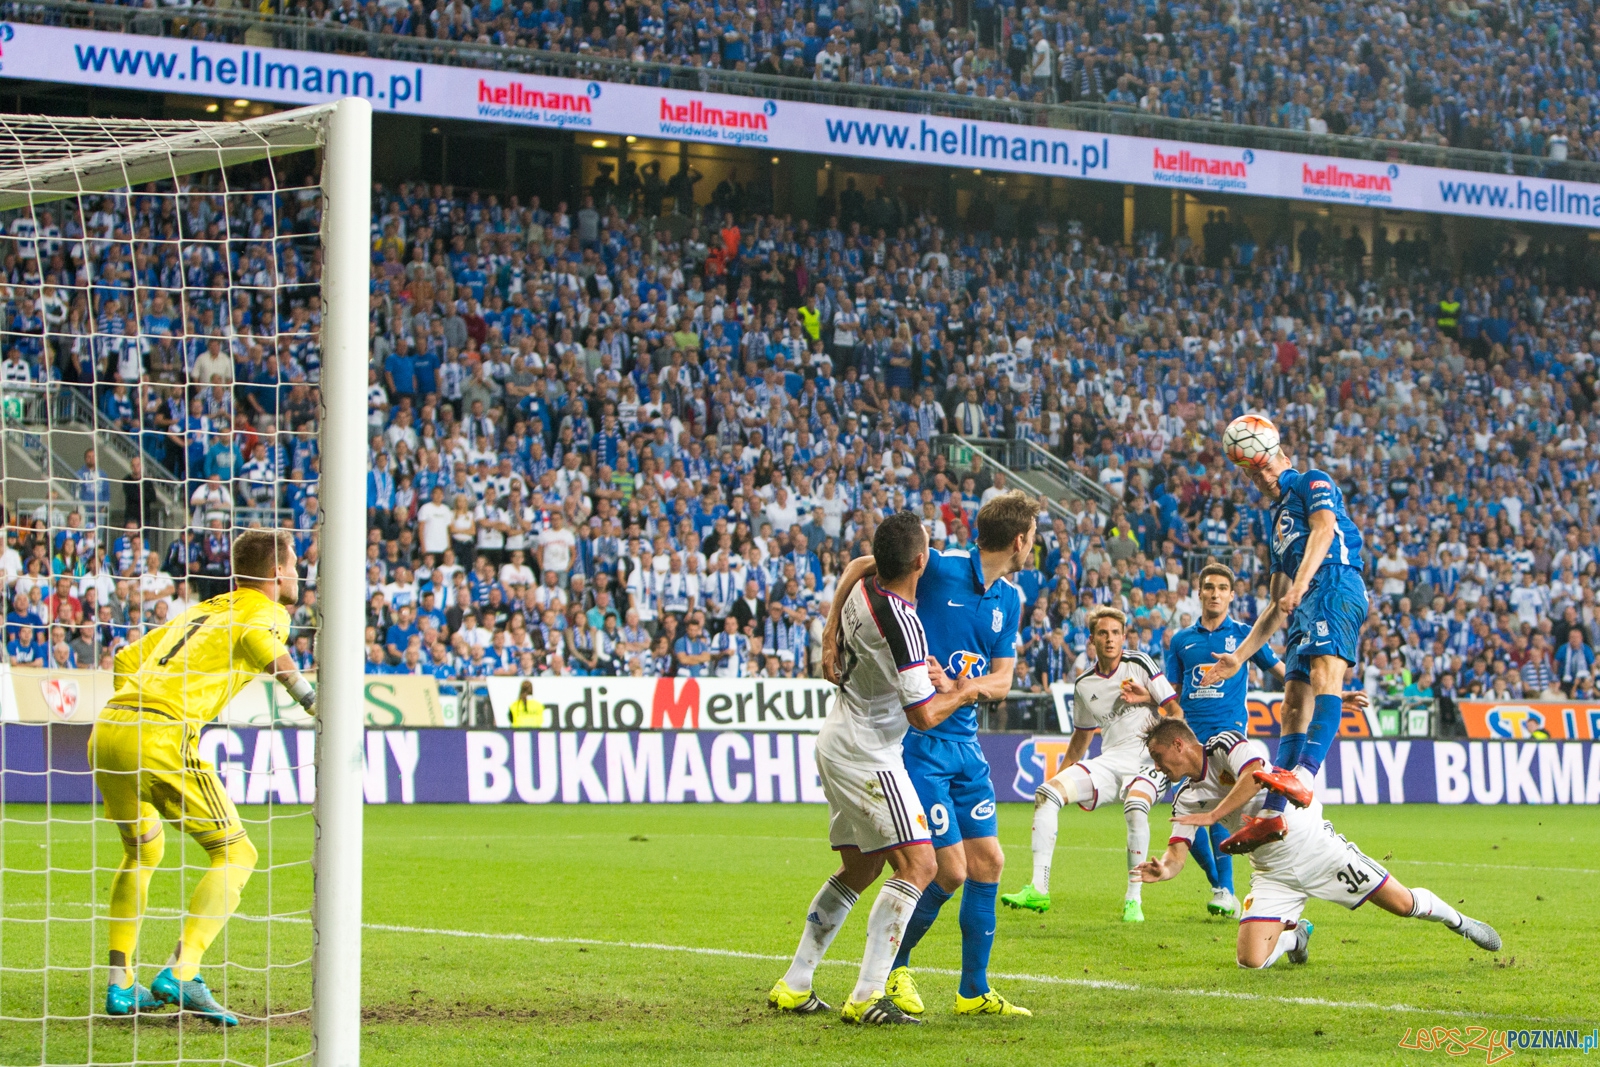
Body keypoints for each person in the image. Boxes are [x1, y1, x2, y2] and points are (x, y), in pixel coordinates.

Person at [89, 529, 318, 1025]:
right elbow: (259, 641)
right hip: (161, 733)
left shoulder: (199, 610)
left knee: (144, 850)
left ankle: (120, 985)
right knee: (237, 852)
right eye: (295, 564)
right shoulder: (264, 611)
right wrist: (311, 700)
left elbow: (128, 657)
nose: (297, 573)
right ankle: (182, 971)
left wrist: (136, 705)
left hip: (109, 729)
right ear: (277, 572)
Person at [822, 490, 1037, 1017]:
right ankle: (893, 973)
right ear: (1019, 540)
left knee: (988, 863)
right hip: (921, 745)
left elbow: (1005, 678)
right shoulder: (937, 566)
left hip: (967, 744)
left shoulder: (1010, 598)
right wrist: (830, 635)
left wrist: (967, 688)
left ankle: (973, 992)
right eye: (1033, 537)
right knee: (947, 871)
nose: (1034, 546)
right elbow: (857, 564)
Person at [769, 511, 979, 1025]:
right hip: (868, 754)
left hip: (837, 740)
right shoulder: (905, 624)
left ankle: (795, 984)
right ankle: (866, 994)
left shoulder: (866, 588)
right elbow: (924, 716)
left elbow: (856, 565)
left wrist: (827, 634)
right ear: (920, 561)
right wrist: (962, 690)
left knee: (860, 868)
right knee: (921, 866)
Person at [1137, 718, 1501, 967]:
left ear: (1179, 744)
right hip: (1271, 872)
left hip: (1315, 848)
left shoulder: (1224, 745)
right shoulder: (1185, 795)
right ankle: (1296, 938)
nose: (1157, 765)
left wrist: (1216, 816)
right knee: (1250, 962)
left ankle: (1459, 920)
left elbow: (1256, 775)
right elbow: (1177, 852)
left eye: (1157, 756)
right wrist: (1164, 868)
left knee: (1405, 905)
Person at [1202, 420, 1368, 854]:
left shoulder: (1313, 481)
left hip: (1334, 583)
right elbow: (1276, 604)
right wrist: (1239, 657)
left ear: (1284, 457)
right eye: (1253, 474)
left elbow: (1325, 529)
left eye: (1267, 466)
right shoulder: (1276, 526)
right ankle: (1273, 814)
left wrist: (1300, 585)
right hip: (1303, 601)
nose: (1264, 478)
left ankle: (1306, 775)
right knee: (1292, 705)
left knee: (1323, 675)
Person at [1002, 605, 1180, 922]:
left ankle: (1133, 899)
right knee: (1046, 794)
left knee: (1135, 807)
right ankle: (1038, 890)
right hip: (1110, 761)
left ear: (1124, 637)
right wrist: (1062, 775)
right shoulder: (1084, 684)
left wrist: (1147, 699)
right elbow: (1082, 736)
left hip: (1148, 760)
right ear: (1092, 640)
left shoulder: (1139, 663)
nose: (1110, 639)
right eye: (1103, 633)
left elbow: (1176, 712)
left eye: (1115, 633)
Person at [1163, 562, 1286, 918]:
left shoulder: (1247, 636)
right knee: (1187, 816)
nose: (1215, 593)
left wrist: (1328, 692)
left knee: (1219, 816)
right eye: (1209, 587)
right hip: (1188, 743)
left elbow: (1280, 671)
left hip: (1230, 740)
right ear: (1199, 592)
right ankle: (1221, 886)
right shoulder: (1182, 640)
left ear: (1232, 595)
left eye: (1222, 588)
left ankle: (1225, 889)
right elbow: (1172, 692)